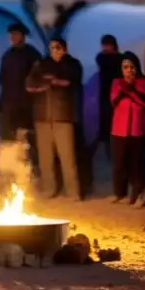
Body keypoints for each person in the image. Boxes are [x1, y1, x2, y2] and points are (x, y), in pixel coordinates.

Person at [26, 37, 84, 200]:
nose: (55, 51)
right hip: (42, 117)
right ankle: (49, 189)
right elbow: (30, 84)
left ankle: (73, 192)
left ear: (64, 49)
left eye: (58, 47)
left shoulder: (72, 64)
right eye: (52, 48)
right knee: (45, 157)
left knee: (67, 157)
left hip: (63, 117)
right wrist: (44, 85)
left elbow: (71, 82)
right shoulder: (41, 64)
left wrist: (55, 81)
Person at [110, 52, 145, 204]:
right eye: (125, 67)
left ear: (136, 68)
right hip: (119, 130)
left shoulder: (142, 83)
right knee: (119, 163)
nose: (128, 70)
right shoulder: (116, 82)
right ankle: (119, 193)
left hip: (137, 130)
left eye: (131, 67)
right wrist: (129, 91)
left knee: (137, 164)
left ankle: (137, 193)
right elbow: (114, 100)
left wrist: (129, 90)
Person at [0, 22, 41, 142]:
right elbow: (3, 78)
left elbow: (37, 76)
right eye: (11, 35)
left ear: (22, 36)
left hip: (26, 103)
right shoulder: (7, 55)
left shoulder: (32, 54)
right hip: (9, 102)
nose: (12, 37)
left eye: (15, 34)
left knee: (26, 137)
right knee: (9, 138)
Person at [95, 35, 122, 155]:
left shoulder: (119, 59)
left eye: (107, 45)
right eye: (104, 45)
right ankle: (109, 151)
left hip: (117, 95)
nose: (105, 47)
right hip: (106, 94)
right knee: (107, 124)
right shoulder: (102, 58)